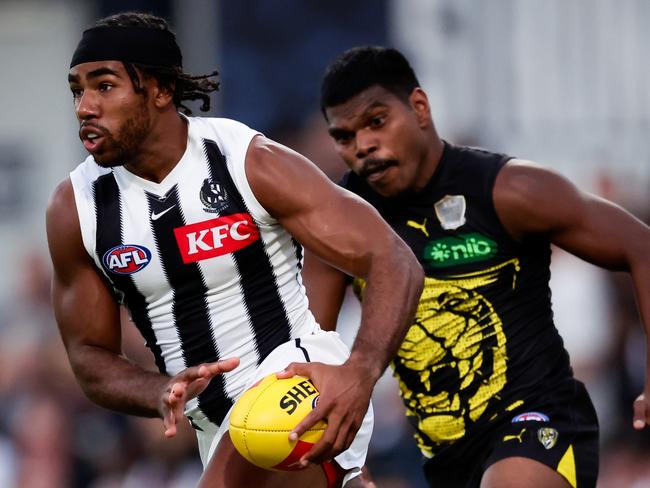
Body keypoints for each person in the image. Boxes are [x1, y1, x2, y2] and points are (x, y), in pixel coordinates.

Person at [46, 14, 423, 488]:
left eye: (104, 86)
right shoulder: (75, 208)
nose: (85, 107)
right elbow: (88, 354)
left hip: (294, 382)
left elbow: (394, 260)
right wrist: (158, 389)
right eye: (78, 90)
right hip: (216, 425)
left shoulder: (245, 161)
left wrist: (360, 372)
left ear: (161, 90)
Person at [301, 46, 650, 488]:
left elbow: (641, 245)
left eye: (376, 122)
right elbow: (312, 351)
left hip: (539, 422)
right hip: (442, 455)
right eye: (344, 137)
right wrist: (348, 466)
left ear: (420, 108)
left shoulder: (509, 189)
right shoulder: (340, 219)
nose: (364, 146)